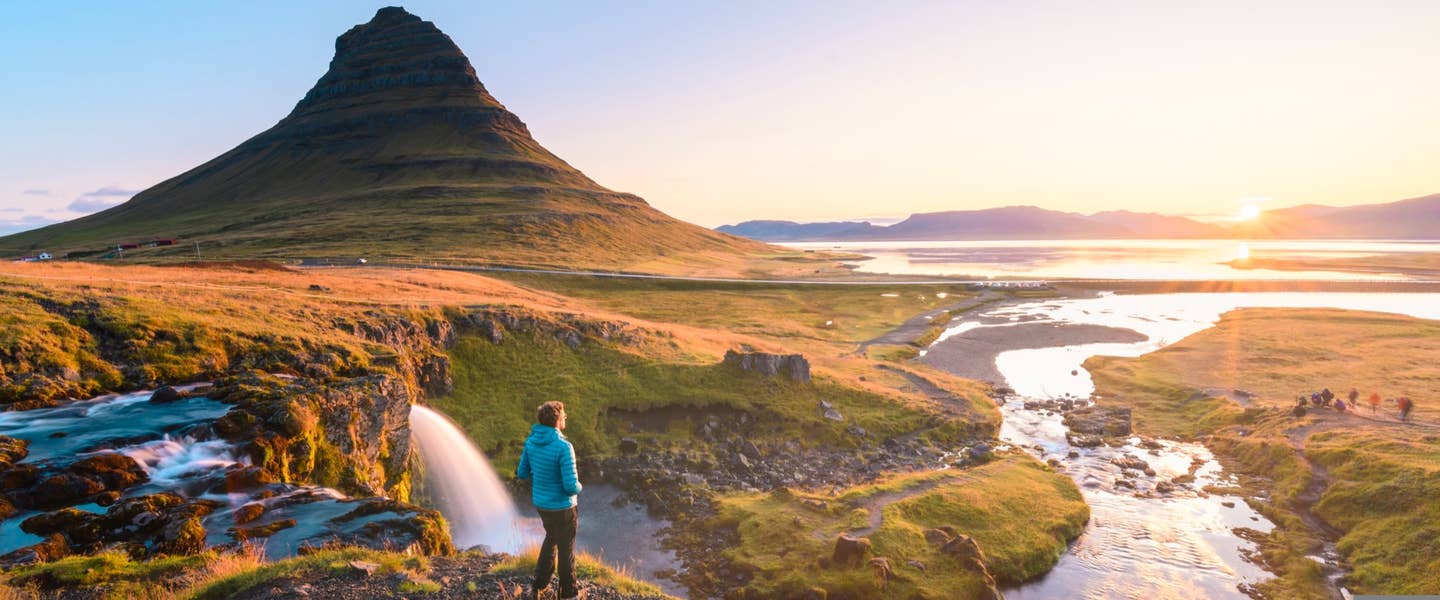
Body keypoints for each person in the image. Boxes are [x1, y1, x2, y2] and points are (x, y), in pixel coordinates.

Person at [517, 401, 584, 600]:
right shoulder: (564, 447)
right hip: (564, 507)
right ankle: (569, 594)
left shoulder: (531, 443)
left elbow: (522, 473)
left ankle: (538, 584)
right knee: (566, 549)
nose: (565, 417)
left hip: (542, 504)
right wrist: (581, 487)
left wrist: (541, 473)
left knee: (551, 538)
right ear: (556, 420)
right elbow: (571, 486)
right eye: (563, 415)